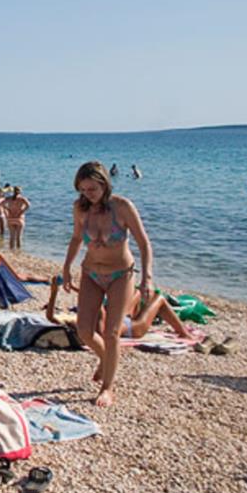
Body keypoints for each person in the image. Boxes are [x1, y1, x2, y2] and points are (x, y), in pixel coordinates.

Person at [62, 160, 154, 408]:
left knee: (111, 332)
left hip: (121, 274)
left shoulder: (122, 207)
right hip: (91, 272)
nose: (87, 194)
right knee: (83, 331)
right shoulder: (80, 209)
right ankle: (106, 357)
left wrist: (147, 277)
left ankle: (108, 388)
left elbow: (144, 243)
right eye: (82, 190)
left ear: (104, 184)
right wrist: (66, 268)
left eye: (91, 189)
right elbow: (76, 238)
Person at [43, 274, 192, 341]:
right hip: (134, 328)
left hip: (121, 318)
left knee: (138, 292)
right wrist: (75, 288)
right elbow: (96, 300)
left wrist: (54, 292)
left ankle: (144, 299)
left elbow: (50, 317)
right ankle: (183, 332)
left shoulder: (79, 321)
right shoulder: (95, 318)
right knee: (159, 299)